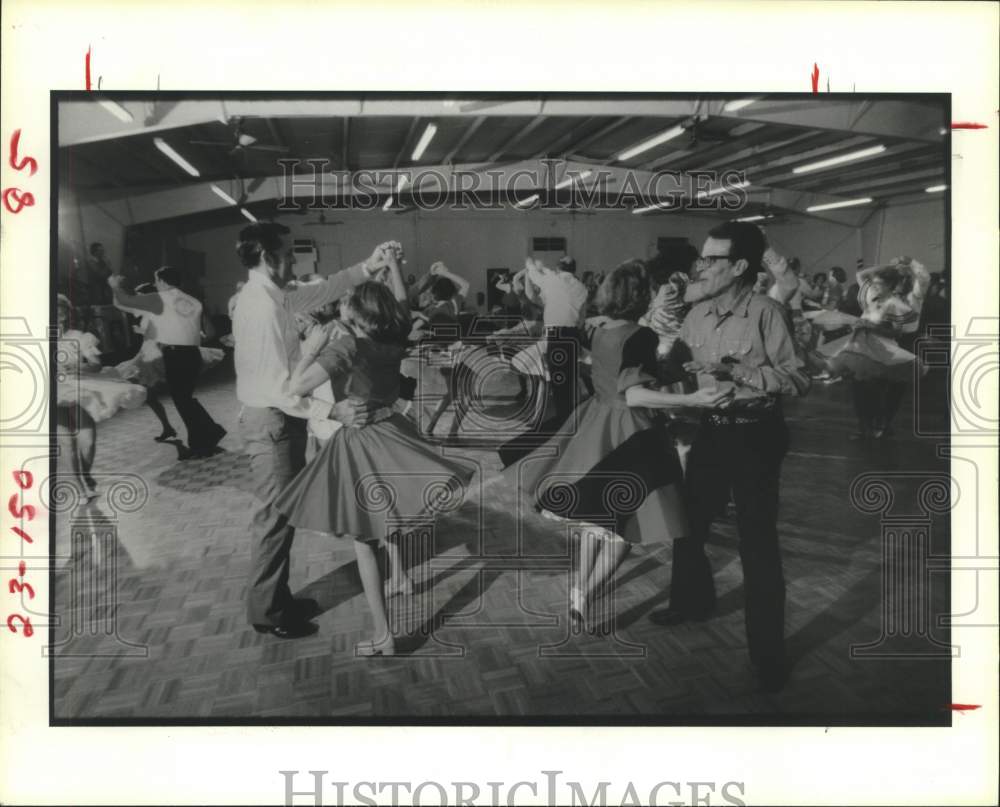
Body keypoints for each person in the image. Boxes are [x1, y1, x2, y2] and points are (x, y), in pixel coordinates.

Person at [504, 260, 732, 626]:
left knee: (595, 518)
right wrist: (692, 400)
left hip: (596, 421)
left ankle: (579, 593)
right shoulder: (640, 337)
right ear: (642, 297)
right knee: (621, 529)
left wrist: (537, 285)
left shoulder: (595, 327)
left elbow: (567, 333)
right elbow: (637, 395)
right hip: (630, 429)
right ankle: (586, 595)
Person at [274, 250, 476, 656]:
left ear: (354, 312)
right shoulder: (394, 334)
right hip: (392, 429)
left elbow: (293, 389)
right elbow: (401, 303)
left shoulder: (346, 346)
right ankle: (400, 576)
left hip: (362, 440)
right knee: (387, 516)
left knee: (364, 540)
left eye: (347, 302)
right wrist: (395, 267)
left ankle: (383, 634)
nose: (341, 304)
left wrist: (312, 349)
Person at [649, 221, 810, 693]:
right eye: (701, 258)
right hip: (713, 434)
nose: (701, 266)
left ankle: (768, 654)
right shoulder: (696, 315)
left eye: (712, 259)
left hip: (757, 435)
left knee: (757, 546)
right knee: (688, 524)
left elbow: (797, 380)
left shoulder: (766, 312)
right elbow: (672, 364)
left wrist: (735, 371)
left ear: (739, 266)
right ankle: (692, 602)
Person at [231, 222, 399, 639]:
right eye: (287, 254)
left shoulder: (273, 296)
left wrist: (369, 265)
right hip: (272, 419)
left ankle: (276, 599)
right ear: (269, 257)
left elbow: (321, 292)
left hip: (279, 418)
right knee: (274, 517)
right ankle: (267, 612)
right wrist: (332, 409)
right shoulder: (264, 307)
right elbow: (279, 389)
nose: (294, 260)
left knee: (280, 515)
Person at [108, 266, 226, 459]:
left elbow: (123, 302)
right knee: (185, 398)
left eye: (156, 281)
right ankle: (207, 435)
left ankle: (205, 440)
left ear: (162, 281)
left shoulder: (160, 299)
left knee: (182, 400)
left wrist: (114, 286)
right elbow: (203, 330)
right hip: (193, 353)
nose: (155, 285)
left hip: (175, 355)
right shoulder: (193, 301)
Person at [817, 257, 929, 438]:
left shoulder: (912, 296)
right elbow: (863, 275)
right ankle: (869, 425)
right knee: (865, 386)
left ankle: (883, 424)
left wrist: (909, 263)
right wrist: (890, 266)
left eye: (903, 277)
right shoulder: (877, 295)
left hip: (903, 342)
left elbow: (922, 278)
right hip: (870, 344)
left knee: (894, 389)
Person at [55, 295, 146, 500]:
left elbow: (96, 363)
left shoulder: (80, 337)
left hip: (81, 387)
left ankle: (85, 476)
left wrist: (79, 366)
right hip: (52, 391)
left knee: (87, 440)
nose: (58, 318)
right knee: (67, 443)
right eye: (54, 313)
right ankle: (80, 488)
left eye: (62, 313)